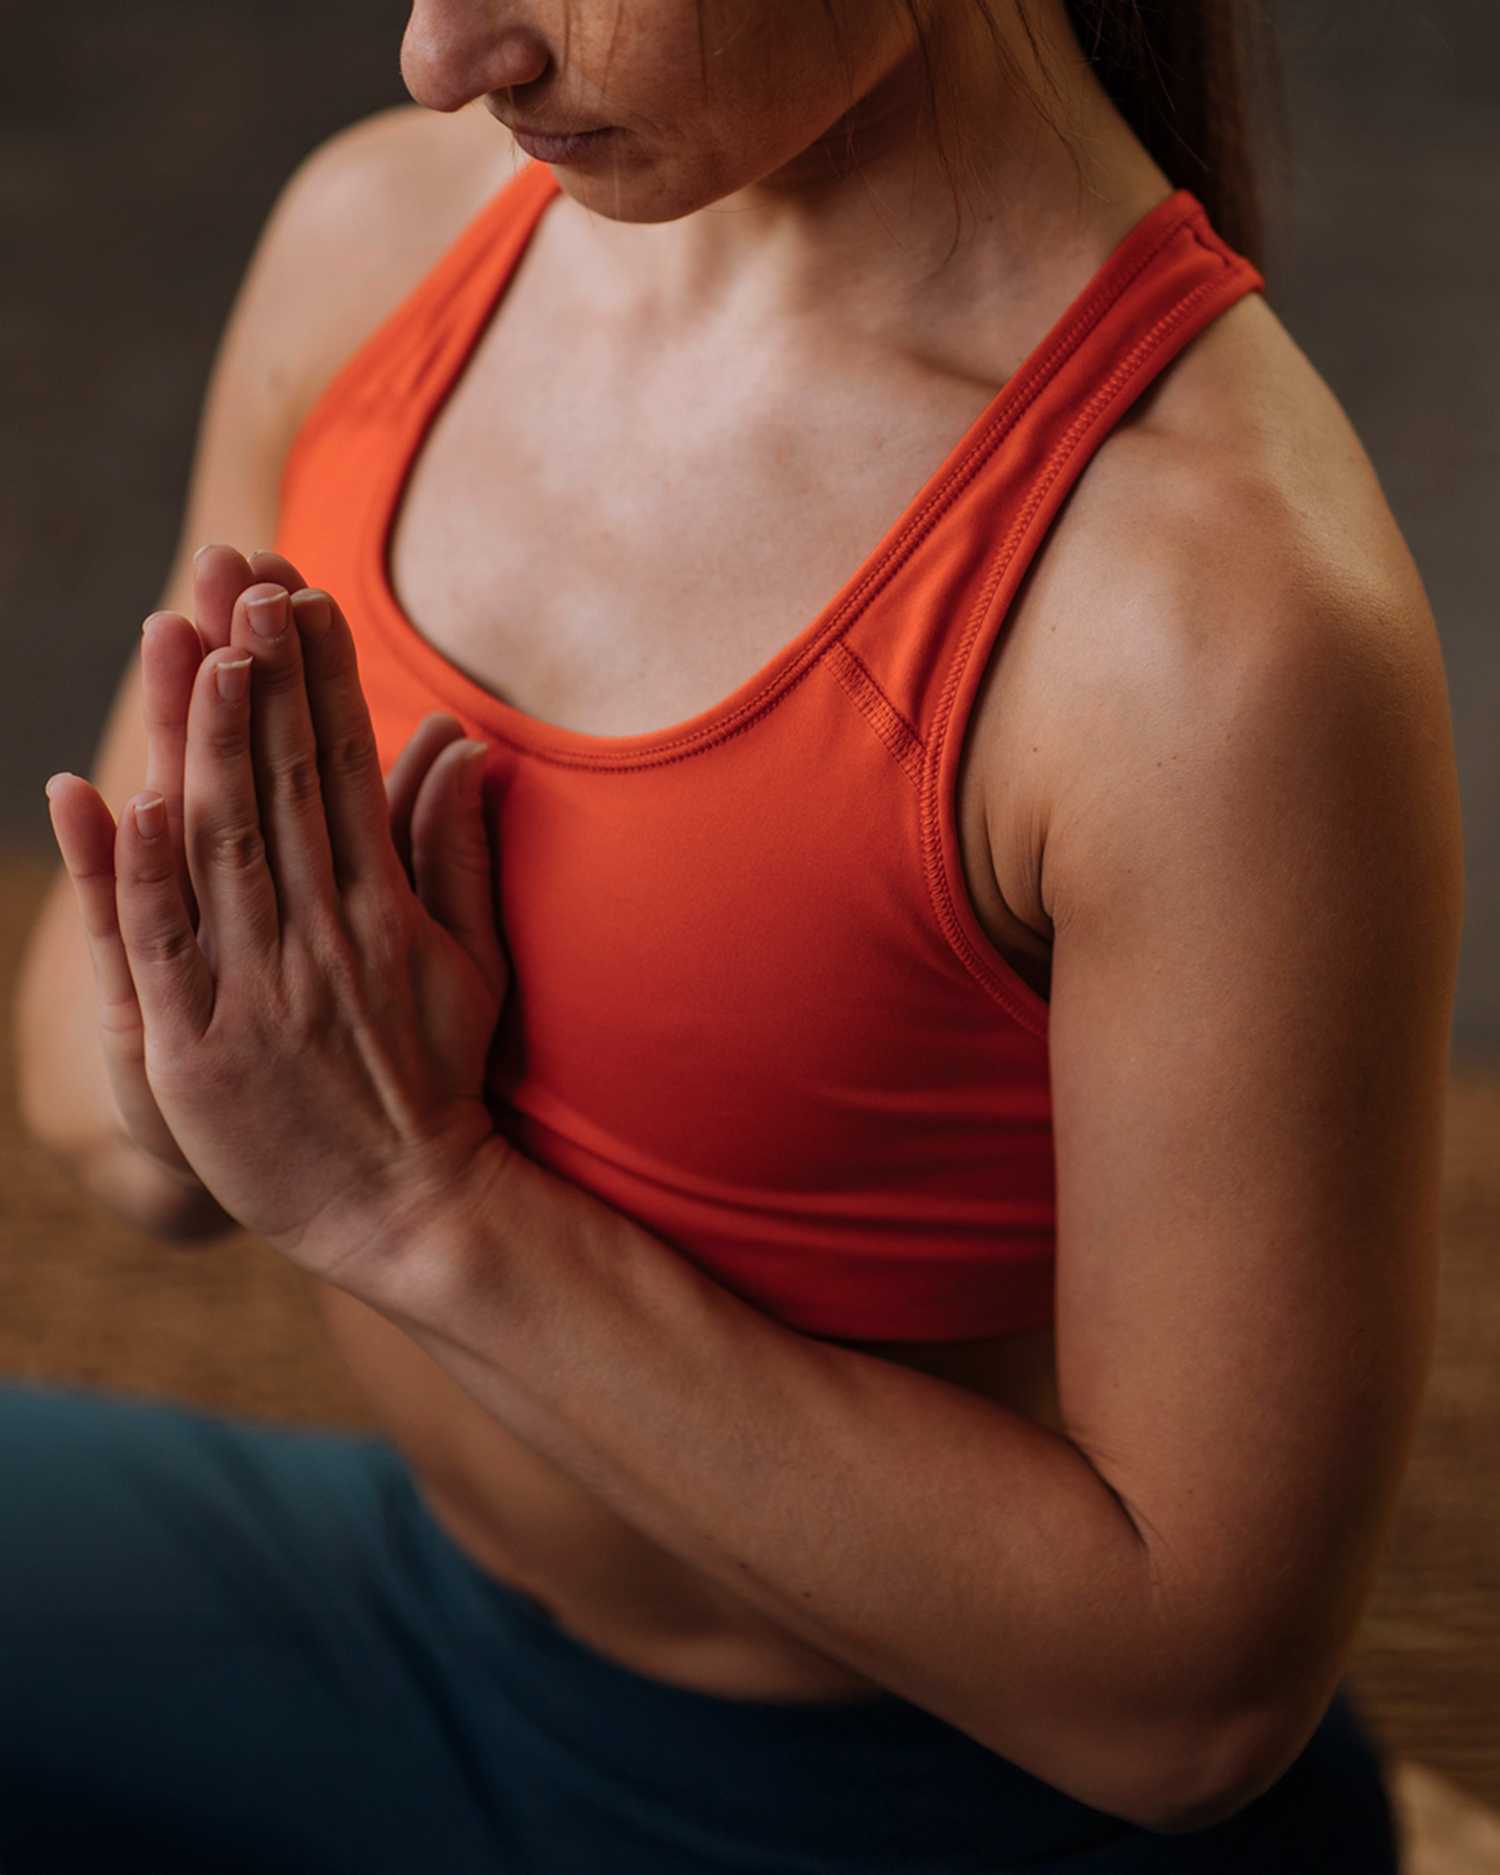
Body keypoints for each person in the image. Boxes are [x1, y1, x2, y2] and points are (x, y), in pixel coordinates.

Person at [11, 1, 1463, 1870]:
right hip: (421, 1629)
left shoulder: (1216, 627)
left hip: (908, 1805)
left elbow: (1187, 1710)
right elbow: (88, 1112)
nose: (443, 53)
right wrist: (213, 1063)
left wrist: (415, 1207)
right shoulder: (378, 247)